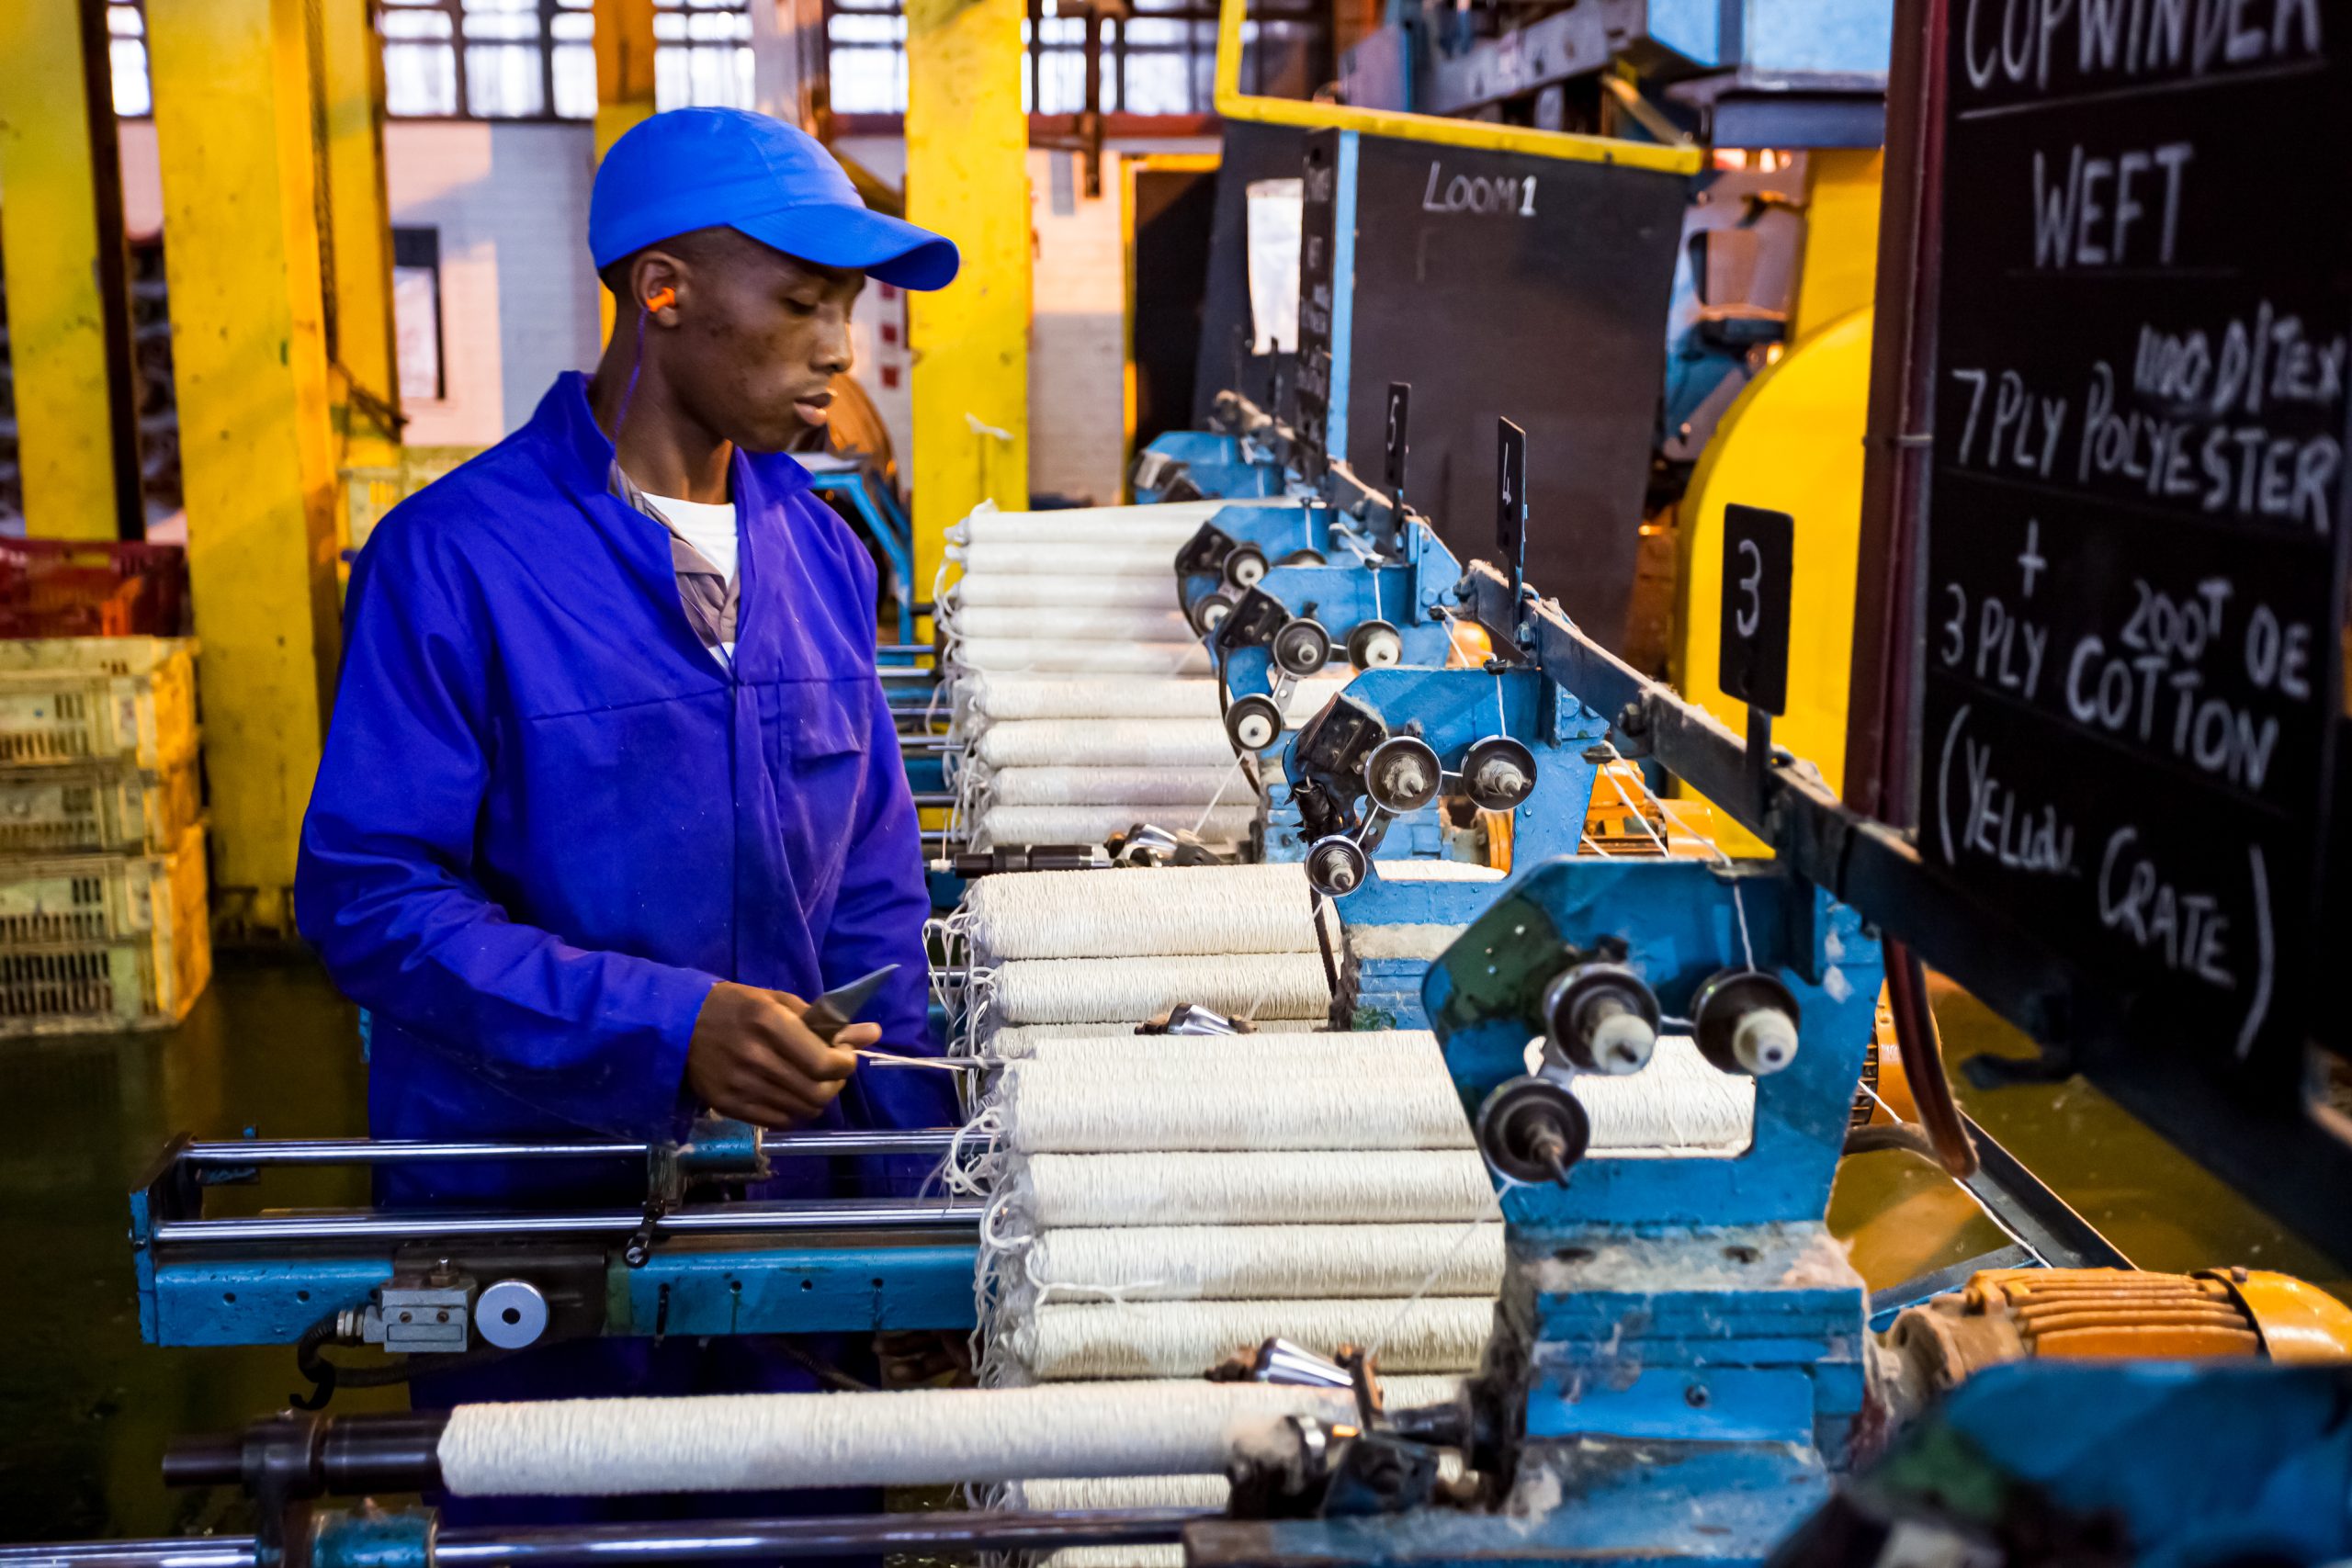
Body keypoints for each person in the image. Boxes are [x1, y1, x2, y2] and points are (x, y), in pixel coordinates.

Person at [294, 107, 963, 1514]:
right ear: (662, 293)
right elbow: (372, 900)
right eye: (799, 303)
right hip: (535, 1223)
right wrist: (671, 1032)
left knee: (796, 1538)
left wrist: (915, 1195)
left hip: (783, 1239)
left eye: (844, 306)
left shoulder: (822, 556)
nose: (841, 349)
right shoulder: (456, 561)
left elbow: (876, 902)